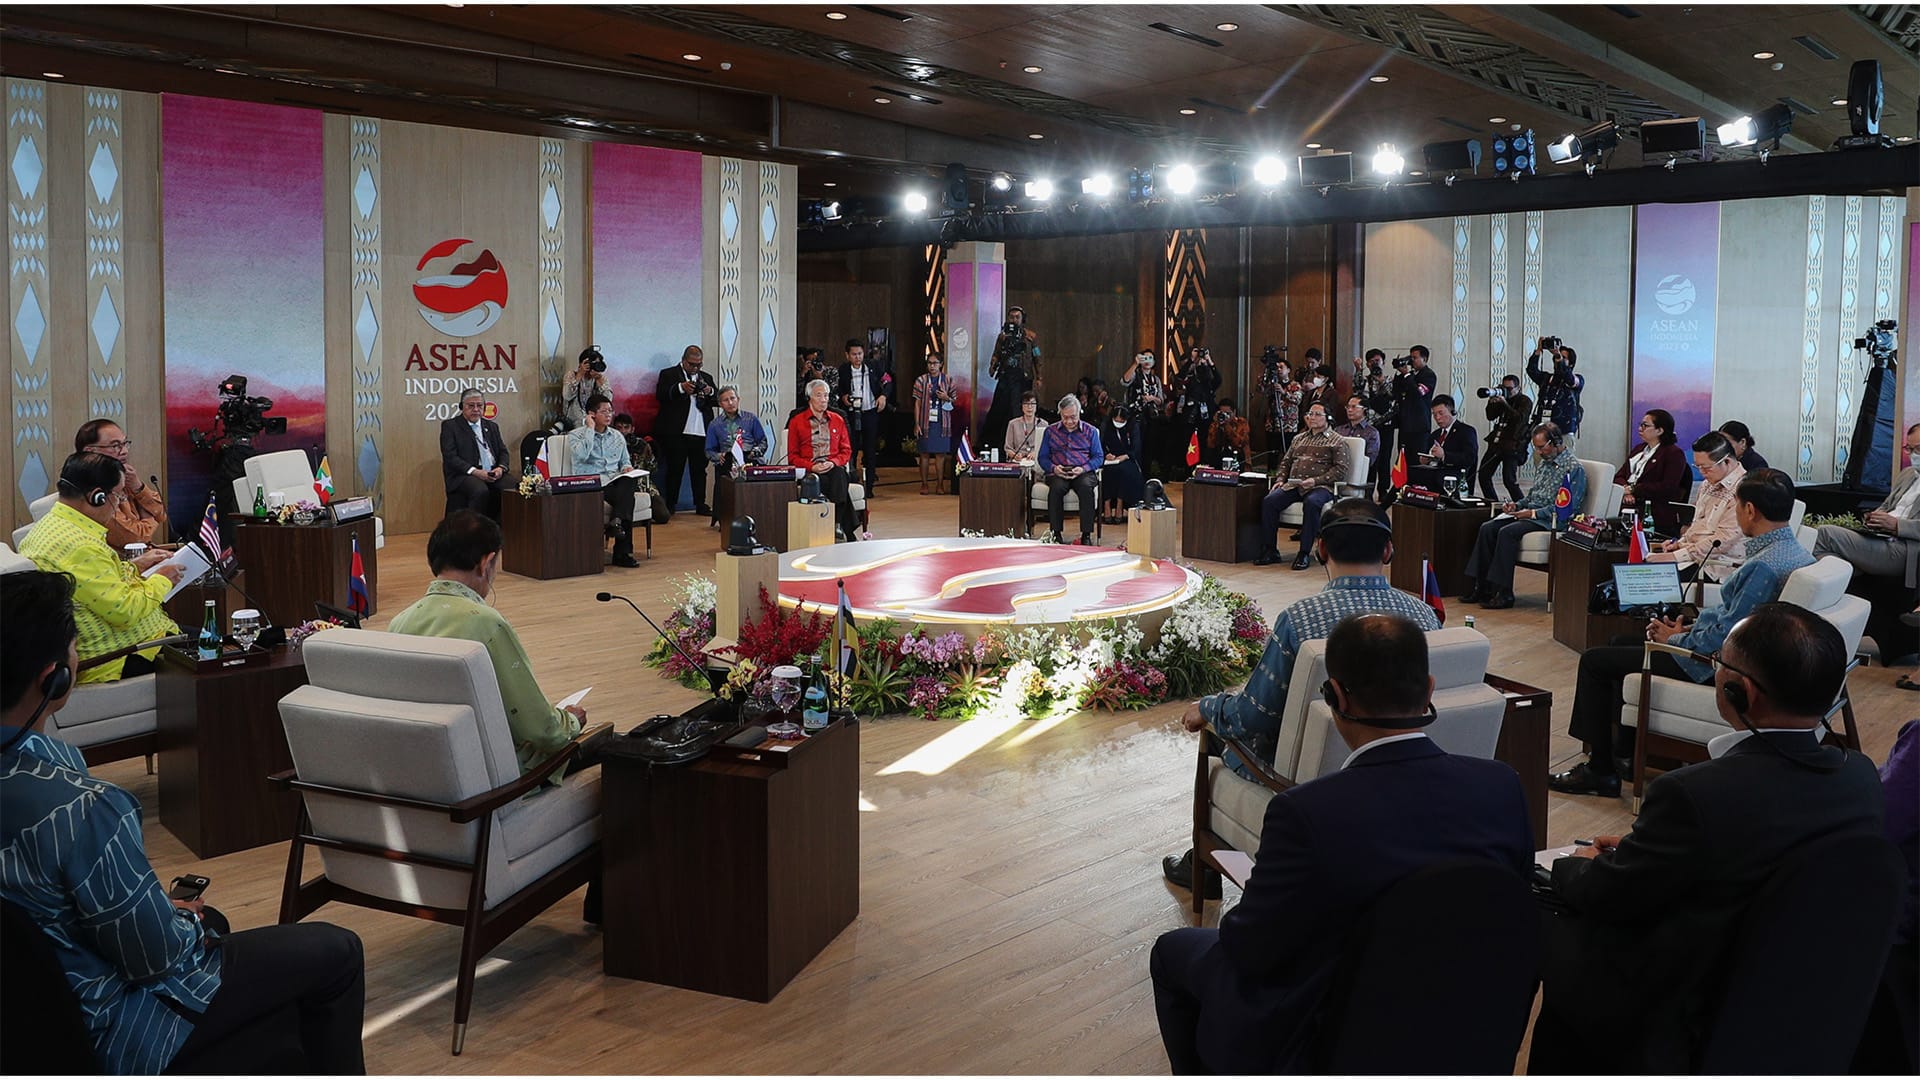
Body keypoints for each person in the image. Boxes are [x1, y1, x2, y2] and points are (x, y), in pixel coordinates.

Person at [0, 569, 367, 1074]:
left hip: (25, 1020)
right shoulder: (86, 808)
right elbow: (159, 959)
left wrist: (162, 911)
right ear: (55, 678)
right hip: (112, 1030)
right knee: (336, 950)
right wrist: (179, 920)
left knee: (211, 923)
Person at [1152, 613, 1531, 1075]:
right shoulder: (1501, 786)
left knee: (1173, 951)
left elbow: (1251, 948)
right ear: (1429, 689)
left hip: (1332, 1032)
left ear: (1335, 695)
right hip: (1467, 1017)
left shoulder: (1308, 812)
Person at [1531, 604, 1884, 1073]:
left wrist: (1578, 863)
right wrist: (1647, 853)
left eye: (1718, 663)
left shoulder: (1695, 794)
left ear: (1742, 692)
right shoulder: (1860, 776)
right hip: (1795, 998)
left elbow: (1610, 894)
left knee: (1554, 919)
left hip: (1684, 1004)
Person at [1163, 498, 1445, 894]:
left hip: (1307, 783)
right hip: (1411, 776)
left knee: (1216, 732)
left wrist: (1207, 707)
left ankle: (1204, 867)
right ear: (1387, 550)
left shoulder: (1301, 620)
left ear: (1321, 548)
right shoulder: (1424, 616)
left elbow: (1254, 717)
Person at [1550, 469, 1813, 798]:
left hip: (1711, 664)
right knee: (1619, 643)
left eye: (1735, 505)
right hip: (1739, 652)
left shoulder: (1762, 565)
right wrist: (1687, 626)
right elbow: (1737, 619)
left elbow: (1727, 639)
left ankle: (1600, 770)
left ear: (1750, 510)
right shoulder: (1795, 551)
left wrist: (1673, 639)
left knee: (1594, 661)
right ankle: (1626, 755)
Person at [389, 511, 598, 777]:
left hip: (428, 770)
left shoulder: (399, 622)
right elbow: (542, 731)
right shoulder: (486, 624)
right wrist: (569, 721)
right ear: (485, 562)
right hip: (493, 776)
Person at [19, 452, 183, 681]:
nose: (117, 505)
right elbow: (124, 611)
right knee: (222, 654)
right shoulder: (78, 546)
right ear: (97, 497)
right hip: (122, 658)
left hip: (135, 643)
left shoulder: (53, 526)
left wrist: (135, 566)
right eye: (118, 496)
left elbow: (92, 585)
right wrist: (163, 578)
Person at [1459, 423, 1585, 609]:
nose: (1540, 452)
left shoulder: (1573, 468)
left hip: (1549, 520)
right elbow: (1533, 495)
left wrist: (1532, 513)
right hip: (1531, 512)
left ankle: (1504, 592)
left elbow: (1566, 509)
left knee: (1507, 532)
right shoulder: (1544, 463)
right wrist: (1516, 505)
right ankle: (1481, 587)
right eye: (1536, 447)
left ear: (1556, 442)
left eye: (1542, 447)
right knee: (1487, 528)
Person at [1814, 421, 1920, 594]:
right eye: (1909, 449)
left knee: (1823, 534)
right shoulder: (1908, 474)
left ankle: (1844, 576)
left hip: (1907, 548)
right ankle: (1848, 573)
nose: (1913, 455)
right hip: (1880, 536)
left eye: (1919, 449)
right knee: (1820, 544)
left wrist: (1897, 526)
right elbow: (1887, 505)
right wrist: (1877, 516)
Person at [1257, 403, 1350, 570]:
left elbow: (1340, 470)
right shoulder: (1298, 438)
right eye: (1310, 414)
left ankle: (1304, 553)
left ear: (1327, 418)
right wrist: (1280, 479)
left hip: (1320, 486)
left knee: (1312, 503)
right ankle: (1270, 550)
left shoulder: (1337, 441)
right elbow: (1285, 463)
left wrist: (1316, 481)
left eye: (1317, 414)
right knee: (1270, 501)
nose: (1312, 418)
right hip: (1294, 484)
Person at [1646, 431, 1747, 581]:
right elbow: (1697, 526)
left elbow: (1723, 541)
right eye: (1697, 466)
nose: (1702, 473)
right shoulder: (1707, 485)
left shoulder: (1743, 490)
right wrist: (1679, 544)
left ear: (1726, 461)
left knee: (1650, 577)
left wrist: (1675, 556)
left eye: (1706, 468)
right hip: (1695, 557)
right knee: (1637, 569)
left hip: (1718, 566)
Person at [567, 395, 641, 567]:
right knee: (628, 499)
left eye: (610, 411)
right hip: (591, 483)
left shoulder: (617, 436)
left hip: (614, 481)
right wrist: (590, 429)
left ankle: (617, 521)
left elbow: (625, 461)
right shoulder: (575, 436)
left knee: (629, 483)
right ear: (591, 414)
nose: (609, 415)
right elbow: (583, 455)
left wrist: (627, 468)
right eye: (604, 411)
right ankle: (622, 554)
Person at [74, 418, 169, 550]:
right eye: (115, 446)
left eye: (125, 444)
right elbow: (135, 538)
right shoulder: (93, 491)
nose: (124, 451)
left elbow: (162, 513)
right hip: (117, 564)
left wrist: (138, 487)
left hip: (143, 556)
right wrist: (149, 516)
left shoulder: (124, 477)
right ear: (90, 451)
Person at [788, 379, 860, 542]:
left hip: (832, 466)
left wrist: (833, 462)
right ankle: (843, 527)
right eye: (819, 395)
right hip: (810, 470)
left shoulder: (837, 419)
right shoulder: (797, 422)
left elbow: (846, 450)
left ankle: (836, 524)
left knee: (838, 474)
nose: (823, 399)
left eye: (826, 396)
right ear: (809, 398)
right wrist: (812, 466)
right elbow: (792, 456)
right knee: (830, 482)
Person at [654, 344, 717, 516]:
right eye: (692, 364)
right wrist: (680, 388)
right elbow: (661, 395)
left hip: (701, 430)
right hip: (676, 431)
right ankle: (671, 504)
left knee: (699, 470)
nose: (695, 368)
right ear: (683, 361)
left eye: (699, 365)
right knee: (675, 469)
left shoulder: (706, 377)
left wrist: (709, 391)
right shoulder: (669, 374)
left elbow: (717, 399)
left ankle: (700, 504)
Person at [1038, 394, 1103, 545]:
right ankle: (1056, 534)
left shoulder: (1091, 431)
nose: (1069, 421)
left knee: (1086, 487)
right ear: (1060, 414)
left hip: (1083, 471)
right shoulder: (1050, 431)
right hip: (1059, 471)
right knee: (1056, 488)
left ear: (1079, 412)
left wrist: (1083, 468)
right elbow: (1043, 458)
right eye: (1065, 417)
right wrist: (1054, 468)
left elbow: (1099, 457)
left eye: (1072, 417)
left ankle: (1086, 535)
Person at [439, 387, 513, 519]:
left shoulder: (491, 426)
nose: (476, 409)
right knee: (480, 490)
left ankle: (503, 530)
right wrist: (476, 472)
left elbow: (503, 452)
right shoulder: (450, 426)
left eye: (480, 405)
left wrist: (500, 468)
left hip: (492, 471)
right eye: (471, 406)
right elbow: (450, 457)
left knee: (513, 486)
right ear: (462, 407)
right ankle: (474, 531)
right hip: (463, 475)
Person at [1615, 408, 1690, 534]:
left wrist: (1634, 490)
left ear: (1660, 430)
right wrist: (1625, 491)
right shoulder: (1639, 449)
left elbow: (1667, 487)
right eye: (1640, 424)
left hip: (1654, 510)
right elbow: (1620, 475)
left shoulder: (1673, 454)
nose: (1640, 428)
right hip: (1628, 504)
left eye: (1645, 426)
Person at [836, 338, 891, 490]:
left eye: (860, 353)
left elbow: (888, 380)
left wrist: (883, 396)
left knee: (870, 449)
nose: (858, 357)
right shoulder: (843, 369)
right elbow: (839, 389)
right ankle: (851, 482)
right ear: (847, 355)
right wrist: (843, 397)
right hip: (852, 414)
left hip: (870, 412)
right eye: (854, 354)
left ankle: (870, 485)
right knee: (851, 448)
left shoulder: (873, 366)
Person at [983, 307, 1041, 449]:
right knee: (998, 411)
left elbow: (1037, 357)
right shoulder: (1003, 336)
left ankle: (1020, 444)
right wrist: (992, 365)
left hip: (1023, 379)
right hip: (1005, 378)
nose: (1014, 320)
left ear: (1022, 319)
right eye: (1011, 317)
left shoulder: (1030, 337)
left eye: (1017, 317)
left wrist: (1039, 377)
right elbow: (996, 353)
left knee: (1017, 410)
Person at [1476, 374, 1533, 504]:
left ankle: (1522, 506)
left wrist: (1505, 403)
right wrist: (1491, 402)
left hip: (1513, 445)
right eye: (1504, 387)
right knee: (1484, 475)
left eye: (1510, 388)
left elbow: (1519, 419)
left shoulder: (1525, 401)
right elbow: (1490, 416)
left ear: (1518, 388)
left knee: (1509, 480)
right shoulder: (1502, 398)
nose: (1507, 391)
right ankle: (1492, 503)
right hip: (1497, 442)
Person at [611, 412, 669, 525]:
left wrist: (652, 452)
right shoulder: (611, 445)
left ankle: (638, 520)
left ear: (632, 429)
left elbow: (653, 469)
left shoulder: (641, 444)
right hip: (621, 486)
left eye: (626, 427)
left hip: (644, 486)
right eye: (619, 428)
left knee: (663, 516)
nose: (623, 431)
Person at [1414, 394, 1478, 492]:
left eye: (1441, 413)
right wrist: (1425, 459)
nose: (1437, 418)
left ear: (1452, 412)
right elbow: (1428, 453)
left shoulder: (1466, 431)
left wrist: (1444, 456)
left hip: (1453, 474)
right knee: (1409, 472)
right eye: (1434, 414)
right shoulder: (1435, 434)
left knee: (1434, 478)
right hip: (1434, 471)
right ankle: (1385, 505)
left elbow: (1469, 458)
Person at [912, 354, 956, 495]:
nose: (932, 366)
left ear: (941, 364)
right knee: (924, 454)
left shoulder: (948, 380)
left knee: (940, 455)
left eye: (935, 363)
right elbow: (917, 402)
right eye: (929, 363)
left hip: (942, 422)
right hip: (925, 422)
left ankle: (940, 484)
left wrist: (946, 397)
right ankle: (924, 484)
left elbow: (954, 400)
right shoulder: (921, 380)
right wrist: (917, 423)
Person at [1527, 337, 1585, 443]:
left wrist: (1558, 357)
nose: (1557, 359)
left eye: (1564, 357)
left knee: (1562, 460)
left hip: (1563, 432)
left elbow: (1569, 378)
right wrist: (1539, 350)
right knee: (1540, 459)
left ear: (1571, 364)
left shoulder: (1577, 379)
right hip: (1544, 432)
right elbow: (1531, 370)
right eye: (1556, 357)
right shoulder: (1547, 378)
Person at [703, 386, 770, 473]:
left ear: (738, 399)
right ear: (720, 404)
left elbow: (763, 442)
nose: (730, 403)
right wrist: (719, 456)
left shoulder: (751, 418)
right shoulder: (714, 424)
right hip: (727, 460)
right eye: (726, 400)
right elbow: (709, 450)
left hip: (750, 458)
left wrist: (755, 452)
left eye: (732, 398)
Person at [1120, 350, 1166, 476]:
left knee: (1149, 447)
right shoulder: (1136, 374)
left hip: (1151, 416)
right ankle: (1135, 473)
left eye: (1150, 358)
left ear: (1154, 362)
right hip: (1136, 415)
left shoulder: (1155, 379)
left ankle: (1146, 474)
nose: (1147, 360)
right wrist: (1135, 364)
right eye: (1145, 357)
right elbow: (1124, 380)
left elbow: (1161, 400)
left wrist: (1152, 398)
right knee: (1136, 446)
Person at [1098, 404, 1144, 525]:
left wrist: (1126, 455)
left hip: (1127, 458)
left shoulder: (1133, 426)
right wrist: (1106, 454)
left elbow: (1137, 447)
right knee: (1108, 471)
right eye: (1116, 420)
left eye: (1121, 420)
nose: (1118, 422)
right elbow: (1099, 444)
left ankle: (1120, 503)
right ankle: (1106, 505)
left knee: (1124, 471)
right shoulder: (1106, 425)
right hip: (1110, 458)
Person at [1257, 349, 1301, 458]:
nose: (1279, 370)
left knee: (1288, 454)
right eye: (1277, 368)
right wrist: (1267, 370)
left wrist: (1283, 392)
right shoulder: (1272, 384)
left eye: (1282, 367)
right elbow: (1260, 389)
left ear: (1289, 370)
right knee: (1272, 454)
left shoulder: (1295, 385)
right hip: (1272, 425)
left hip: (1289, 426)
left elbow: (1297, 400)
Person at [560, 345, 611, 431]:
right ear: (582, 364)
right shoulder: (572, 375)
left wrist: (599, 382)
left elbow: (608, 401)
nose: (594, 367)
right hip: (573, 424)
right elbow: (567, 395)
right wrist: (579, 375)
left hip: (594, 424)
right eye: (592, 364)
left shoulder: (601, 379)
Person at [1333, 394, 1379, 471]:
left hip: (1359, 471)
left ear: (1364, 409)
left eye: (1354, 407)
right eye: (1348, 407)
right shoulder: (1339, 430)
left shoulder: (1372, 433)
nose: (1350, 410)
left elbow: (1370, 460)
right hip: (1337, 470)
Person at [1206, 398, 1250, 467]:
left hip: (1237, 457)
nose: (1225, 416)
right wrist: (1217, 425)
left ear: (1234, 412)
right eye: (1222, 413)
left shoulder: (1241, 423)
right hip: (1218, 458)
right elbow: (1210, 444)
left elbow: (1239, 443)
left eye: (1228, 413)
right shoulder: (1215, 424)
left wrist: (1227, 426)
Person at [796, 345, 836, 413]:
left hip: (829, 406)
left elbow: (832, 391)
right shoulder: (804, 372)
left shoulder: (831, 371)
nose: (814, 363)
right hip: (807, 407)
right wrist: (803, 373)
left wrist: (820, 378)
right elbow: (797, 391)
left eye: (816, 360)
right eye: (811, 361)